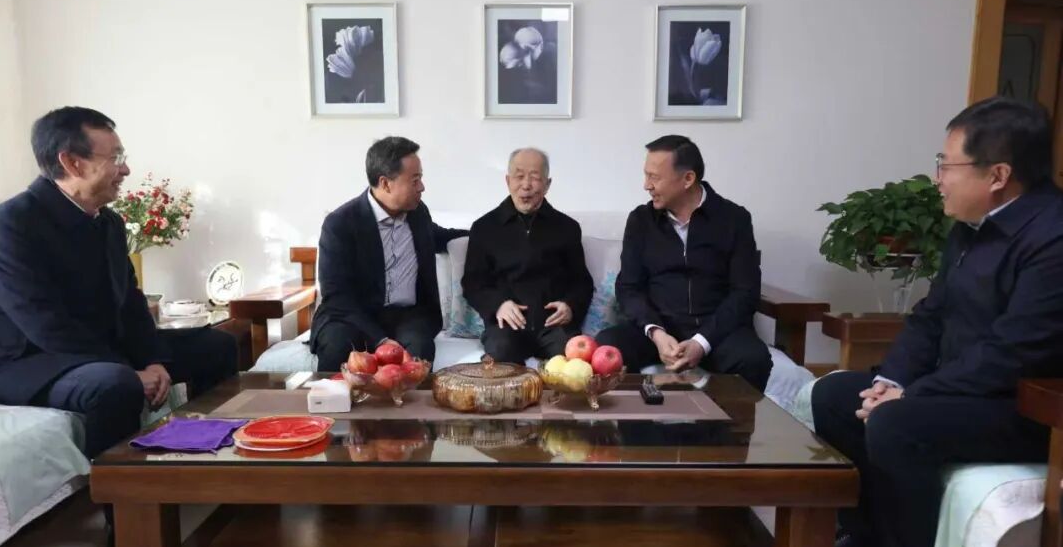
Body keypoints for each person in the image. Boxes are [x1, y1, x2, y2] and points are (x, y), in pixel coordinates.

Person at [812, 96, 1063, 547]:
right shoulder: (971, 227)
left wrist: (913, 396)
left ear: (997, 175)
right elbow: (930, 316)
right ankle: (868, 541)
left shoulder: (1053, 237)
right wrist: (890, 381)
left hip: (1026, 408)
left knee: (898, 424)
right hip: (961, 390)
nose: (938, 179)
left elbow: (1015, 352)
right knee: (833, 396)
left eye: (947, 165)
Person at [0, 106, 238, 547]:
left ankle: (206, 474)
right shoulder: (9, 224)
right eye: (116, 157)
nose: (126, 169)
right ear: (72, 162)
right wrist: (130, 370)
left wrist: (154, 360)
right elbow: (44, 325)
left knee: (217, 346)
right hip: (31, 363)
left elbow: (131, 304)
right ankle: (125, 524)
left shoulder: (108, 222)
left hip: (102, 352)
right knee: (114, 384)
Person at [596, 135, 771, 392]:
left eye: (654, 177)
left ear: (688, 179)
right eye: (646, 175)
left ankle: (727, 421)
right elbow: (628, 287)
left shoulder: (734, 219)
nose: (646, 185)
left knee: (753, 358)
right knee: (608, 345)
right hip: (659, 331)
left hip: (717, 333)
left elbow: (745, 291)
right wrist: (656, 333)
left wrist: (701, 342)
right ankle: (635, 419)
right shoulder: (641, 221)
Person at [310, 136, 467, 371]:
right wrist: (381, 340)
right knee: (338, 346)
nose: (422, 187)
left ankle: (412, 398)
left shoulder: (417, 213)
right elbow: (337, 297)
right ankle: (330, 395)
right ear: (385, 183)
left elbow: (439, 236)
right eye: (415, 180)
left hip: (408, 316)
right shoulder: (340, 224)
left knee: (419, 349)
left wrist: (488, 232)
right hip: (351, 316)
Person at [462, 148, 592, 364]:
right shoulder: (484, 228)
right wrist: (499, 305)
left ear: (547, 184)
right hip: (507, 326)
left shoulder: (567, 228)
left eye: (535, 177)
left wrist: (569, 306)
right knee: (500, 354)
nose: (526, 185)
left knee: (574, 361)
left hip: (553, 325)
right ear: (508, 181)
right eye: (519, 176)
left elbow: (582, 282)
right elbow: (473, 283)